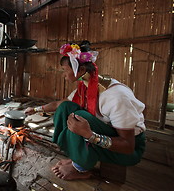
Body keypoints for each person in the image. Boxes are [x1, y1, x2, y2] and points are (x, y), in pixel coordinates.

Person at [25, 41, 146, 180]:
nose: (63, 75)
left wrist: (89, 135)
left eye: (65, 70)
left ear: (81, 70)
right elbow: (61, 104)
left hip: (128, 150)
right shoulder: (87, 85)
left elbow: (128, 146)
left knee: (79, 116)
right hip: (106, 132)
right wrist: (35, 109)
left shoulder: (117, 97)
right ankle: (76, 155)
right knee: (66, 108)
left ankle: (81, 168)